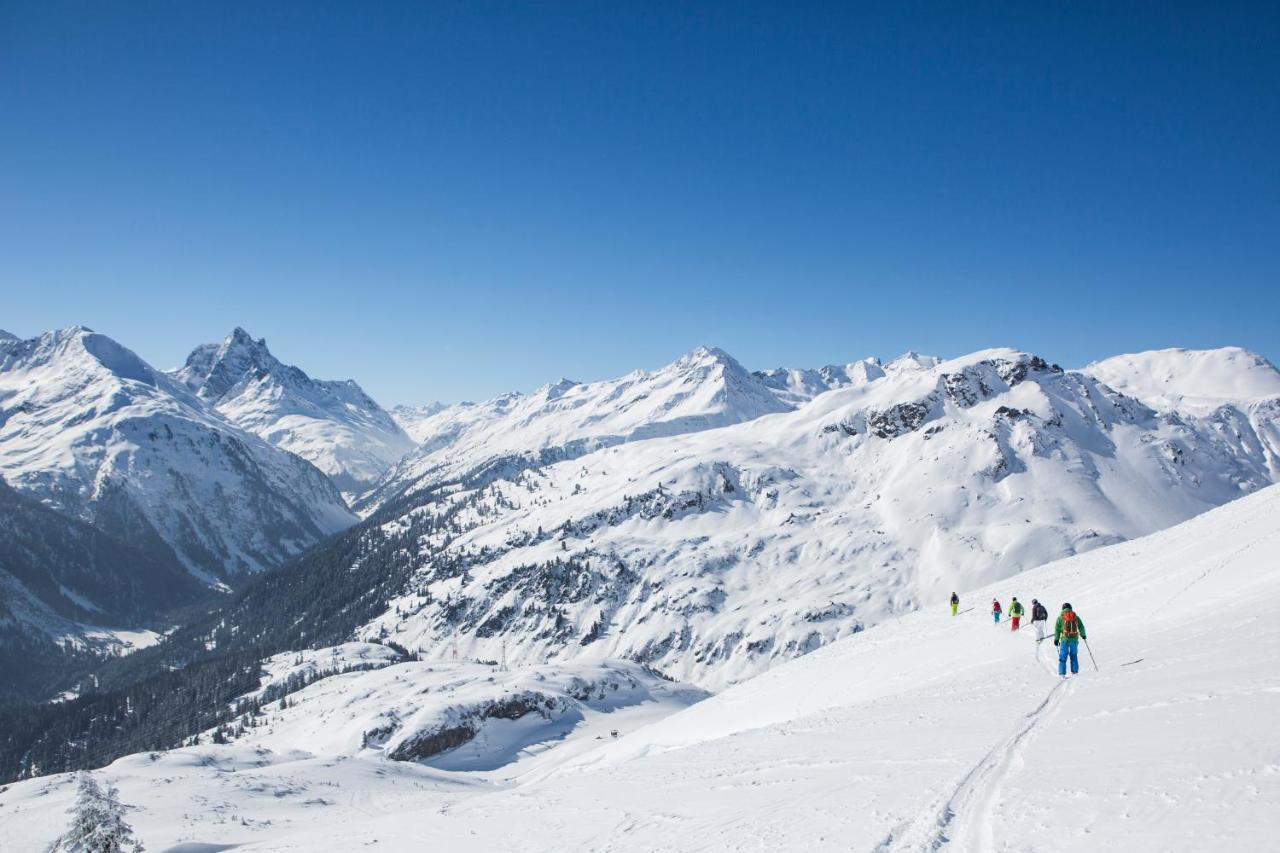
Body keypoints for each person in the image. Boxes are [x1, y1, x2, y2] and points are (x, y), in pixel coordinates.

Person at [1054, 602, 1087, 677]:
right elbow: (1081, 627)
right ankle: (1075, 672)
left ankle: (1062, 673)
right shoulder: (1075, 617)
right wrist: (1083, 635)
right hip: (1074, 640)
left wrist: (1056, 639)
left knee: (1063, 656)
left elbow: (1057, 629)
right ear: (1070, 608)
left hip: (1064, 640)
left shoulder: (1060, 618)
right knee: (1074, 655)